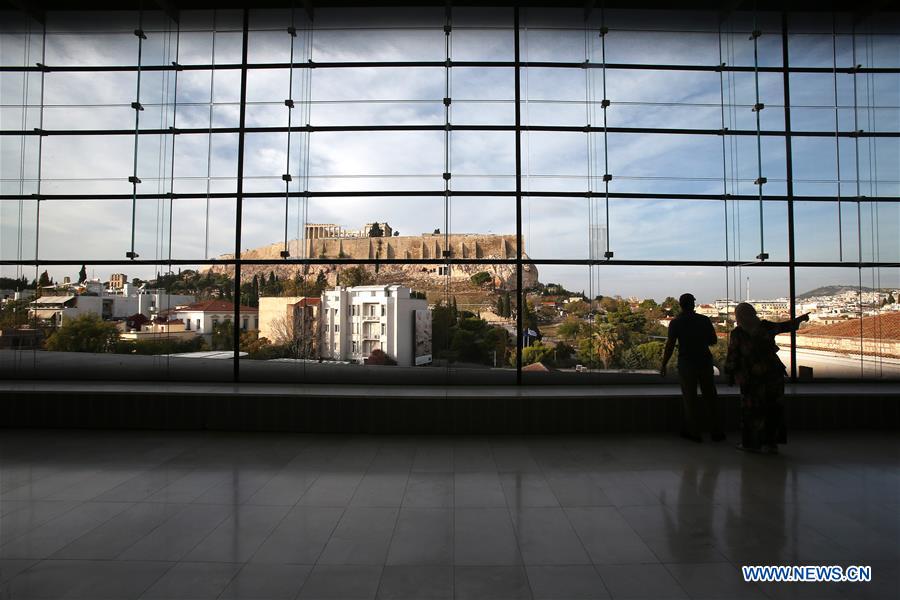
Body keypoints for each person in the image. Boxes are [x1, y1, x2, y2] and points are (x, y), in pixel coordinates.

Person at [724, 302, 809, 454]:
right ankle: (770, 444)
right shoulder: (766, 327)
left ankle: (751, 443)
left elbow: (733, 355)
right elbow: (785, 326)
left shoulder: (738, 333)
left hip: (751, 376)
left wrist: (730, 372)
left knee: (752, 410)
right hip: (772, 372)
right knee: (772, 407)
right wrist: (799, 320)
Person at [660, 293, 724, 443]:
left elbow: (670, 345)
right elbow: (713, 340)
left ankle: (694, 432)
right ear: (693, 304)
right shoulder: (704, 320)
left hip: (687, 362)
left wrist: (664, 364)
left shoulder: (676, 323)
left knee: (690, 398)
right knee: (710, 396)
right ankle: (716, 431)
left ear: (681, 305)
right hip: (705, 360)